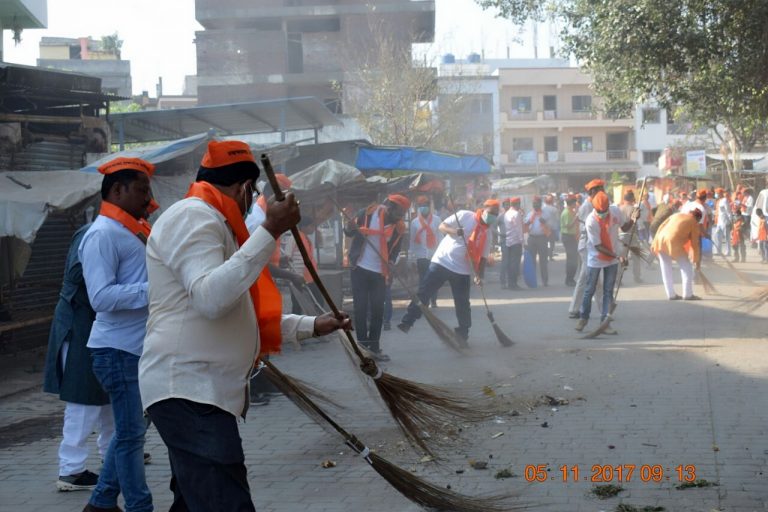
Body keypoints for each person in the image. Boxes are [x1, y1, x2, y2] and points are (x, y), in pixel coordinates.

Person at [139, 140, 350, 511]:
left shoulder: (217, 222)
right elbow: (211, 298)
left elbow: (240, 316)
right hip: (190, 390)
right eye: (253, 196)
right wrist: (270, 230)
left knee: (196, 501)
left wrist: (312, 325)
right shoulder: (194, 216)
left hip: (202, 393)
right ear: (244, 189)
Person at [79, 157, 155, 512]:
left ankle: (101, 502)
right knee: (130, 435)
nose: (148, 198)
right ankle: (139, 506)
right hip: (118, 351)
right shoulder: (102, 234)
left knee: (129, 433)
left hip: (134, 349)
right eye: (141, 190)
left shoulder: (130, 229)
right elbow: (101, 297)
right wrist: (156, 289)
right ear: (117, 190)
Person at [43, 223, 114, 492]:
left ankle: (112, 455)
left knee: (108, 395)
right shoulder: (93, 233)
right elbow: (76, 273)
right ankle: (71, 469)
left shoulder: (110, 231)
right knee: (82, 397)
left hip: (97, 325)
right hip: (80, 324)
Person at [398, 199, 499, 345]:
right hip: (442, 261)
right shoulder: (465, 215)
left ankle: (463, 335)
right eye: (491, 213)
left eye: (495, 215)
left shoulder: (487, 233)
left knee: (463, 304)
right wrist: (455, 231)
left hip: (462, 270)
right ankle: (408, 320)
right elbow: (442, 226)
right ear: (483, 209)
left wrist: (479, 275)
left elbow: (483, 257)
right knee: (424, 292)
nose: (492, 217)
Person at [344, 195, 409, 361]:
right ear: (388, 208)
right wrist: (349, 226)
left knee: (377, 310)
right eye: (398, 213)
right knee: (360, 309)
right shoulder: (367, 214)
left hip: (379, 272)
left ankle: (374, 347)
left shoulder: (398, 227)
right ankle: (362, 347)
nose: (399, 217)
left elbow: (395, 250)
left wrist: (392, 262)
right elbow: (349, 232)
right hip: (359, 268)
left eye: (402, 214)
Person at [575, 191, 634, 334]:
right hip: (596, 258)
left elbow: (624, 227)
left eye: (604, 210)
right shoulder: (591, 221)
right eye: (599, 211)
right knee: (590, 289)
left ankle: (605, 323)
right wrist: (618, 256)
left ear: (608, 206)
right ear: (595, 208)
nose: (602, 213)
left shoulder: (615, 211)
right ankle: (583, 318)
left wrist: (633, 219)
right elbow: (598, 246)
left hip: (612, 259)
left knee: (608, 291)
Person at [568, 180, 605, 318]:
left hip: (590, 245)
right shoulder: (588, 205)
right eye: (601, 189)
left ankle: (575, 309)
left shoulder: (592, 203)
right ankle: (603, 309)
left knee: (588, 279)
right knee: (592, 279)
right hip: (588, 245)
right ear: (593, 191)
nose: (603, 192)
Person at [651, 207, 702, 300]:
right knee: (687, 268)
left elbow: (661, 226)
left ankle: (671, 295)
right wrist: (695, 260)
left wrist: (654, 241)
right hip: (673, 242)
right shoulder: (693, 222)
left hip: (660, 239)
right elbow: (695, 243)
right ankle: (688, 294)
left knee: (666, 268)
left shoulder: (676, 215)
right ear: (697, 218)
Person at [410, 195, 442, 305]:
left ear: (429, 206)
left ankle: (434, 300)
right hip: (421, 256)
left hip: (434, 255)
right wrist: (411, 259)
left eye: (425, 205)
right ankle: (424, 301)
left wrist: (441, 255)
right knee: (423, 280)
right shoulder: (414, 222)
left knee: (434, 278)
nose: (423, 207)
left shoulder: (437, 220)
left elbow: (440, 238)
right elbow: (412, 242)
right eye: (421, 206)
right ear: (418, 207)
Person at [524, 196, 551, 287]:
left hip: (542, 238)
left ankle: (545, 281)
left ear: (540, 204)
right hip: (532, 238)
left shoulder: (545, 214)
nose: (535, 205)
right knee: (532, 261)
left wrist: (544, 222)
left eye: (537, 203)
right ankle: (533, 281)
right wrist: (529, 221)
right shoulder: (529, 214)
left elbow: (550, 225)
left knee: (543, 260)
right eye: (534, 203)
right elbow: (525, 225)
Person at [618, 190, 643, 284]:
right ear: (632, 199)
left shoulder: (619, 209)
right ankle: (637, 277)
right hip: (632, 235)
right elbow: (638, 221)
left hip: (621, 235)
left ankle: (618, 279)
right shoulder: (634, 209)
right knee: (636, 257)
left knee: (621, 257)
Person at [503, 197, 524, 290]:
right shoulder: (516, 214)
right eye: (519, 204)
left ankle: (510, 283)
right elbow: (518, 228)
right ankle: (513, 284)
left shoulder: (507, 213)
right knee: (515, 264)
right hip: (516, 241)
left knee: (510, 263)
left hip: (508, 241)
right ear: (517, 204)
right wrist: (522, 240)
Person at [560, 195, 579, 286]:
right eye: (575, 203)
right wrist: (576, 218)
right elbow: (568, 226)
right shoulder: (567, 212)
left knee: (573, 258)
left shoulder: (571, 211)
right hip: (568, 237)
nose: (576, 204)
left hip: (571, 236)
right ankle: (569, 279)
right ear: (571, 203)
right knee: (572, 258)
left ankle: (570, 278)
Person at [713, 187, 732, 257]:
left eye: (717, 193)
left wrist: (730, 220)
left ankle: (728, 252)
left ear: (721, 193)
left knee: (727, 237)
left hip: (725, 221)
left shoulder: (725, 200)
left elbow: (728, 211)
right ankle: (718, 251)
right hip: (719, 222)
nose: (716, 194)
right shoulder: (718, 201)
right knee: (717, 235)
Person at [542, 194, 560, 260]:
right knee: (552, 242)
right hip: (552, 229)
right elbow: (557, 219)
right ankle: (550, 256)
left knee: (545, 242)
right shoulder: (554, 209)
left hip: (544, 229)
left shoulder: (543, 209)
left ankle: (545, 255)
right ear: (552, 201)